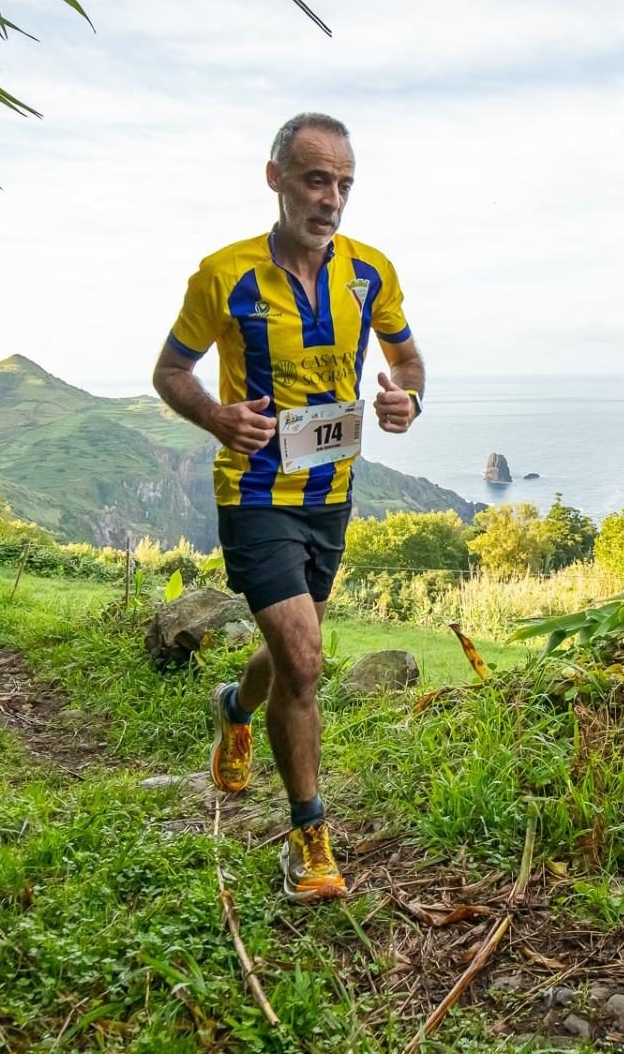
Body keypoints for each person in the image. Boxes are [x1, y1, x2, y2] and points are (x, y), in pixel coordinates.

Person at [152, 112, 423, 903]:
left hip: (330, 495)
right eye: (315, 179)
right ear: (276, 179)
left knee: (289, 650)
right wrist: (217, 417)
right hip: (255, 493)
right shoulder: (223, 275)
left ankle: (235, 707)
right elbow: (170, 371)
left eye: (343, 183)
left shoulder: (370, 272)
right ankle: (309, 839)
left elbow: (407, 358)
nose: (330, 198)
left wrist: (408, 398)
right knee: (305, 657)